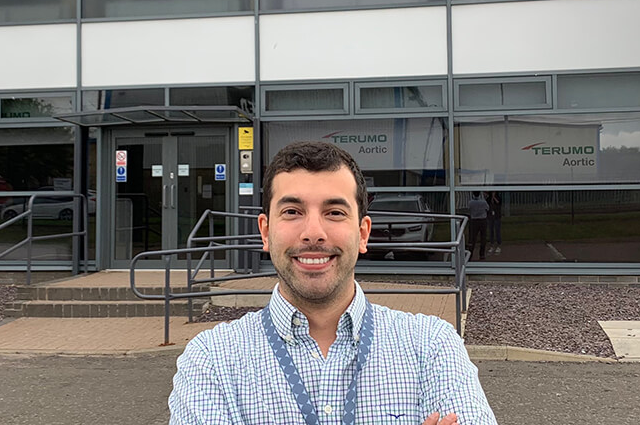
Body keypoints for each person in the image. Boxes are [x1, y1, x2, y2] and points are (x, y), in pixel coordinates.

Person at [168, 141, 496, 425]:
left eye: (335, 213)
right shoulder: (211, 360)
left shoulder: (433, 347)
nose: (314, 232)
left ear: (363, 232)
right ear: (265, 232)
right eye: (293, 211)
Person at [466, 192, 489, 261]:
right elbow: (487, 208)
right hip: (483, 220)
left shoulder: (471, 202)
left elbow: (469, 209)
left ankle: (470, 254)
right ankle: (482, 254)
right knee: (483, 237)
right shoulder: (483, 202)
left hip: (474, 220)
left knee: (473, 238)